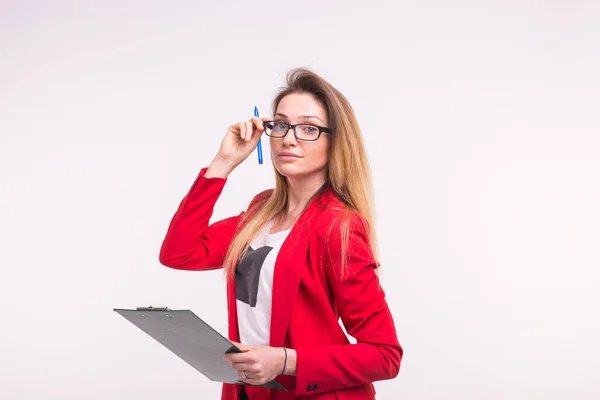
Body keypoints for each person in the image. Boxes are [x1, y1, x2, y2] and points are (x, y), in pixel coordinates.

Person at [159, 68, 402, 400]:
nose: (289, 138)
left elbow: (385, 355)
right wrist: (223, 162)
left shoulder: (337, 225)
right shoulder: (260, 211)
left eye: (309, 128)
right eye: (281, 124)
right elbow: (179, 253)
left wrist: (285, 361)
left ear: (336, 142)